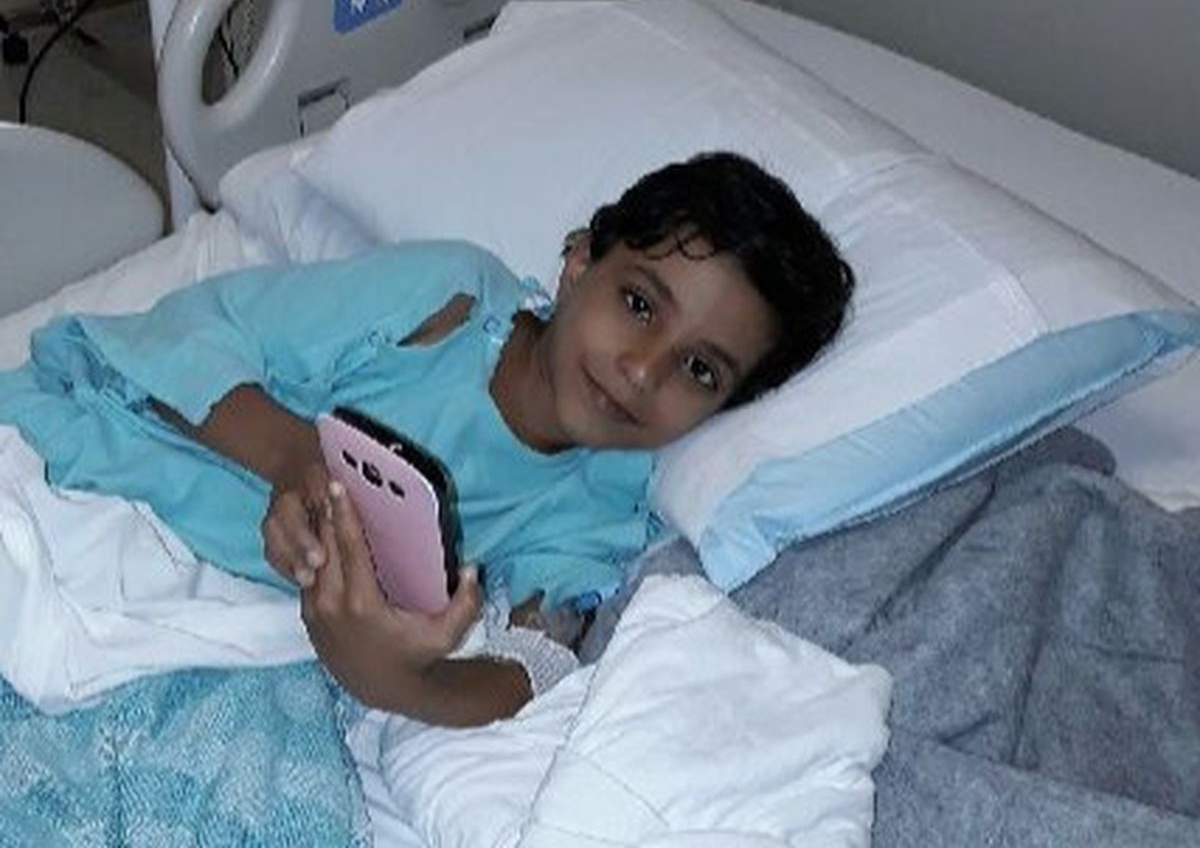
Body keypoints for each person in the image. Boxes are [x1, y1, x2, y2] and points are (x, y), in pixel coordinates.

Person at [0, 152, 854, 726]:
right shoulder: (445, 304)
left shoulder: (597, 507)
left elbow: (531, 666)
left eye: (699, 370)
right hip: (89, 461)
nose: (641, 371)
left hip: (205, 602)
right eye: (638, 304)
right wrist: (297, 459)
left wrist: (395, 678)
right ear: (579, 261)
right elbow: (191, 337)